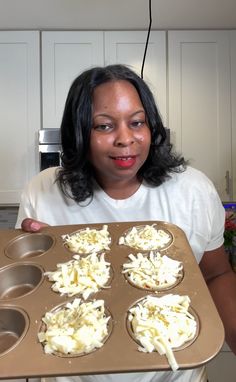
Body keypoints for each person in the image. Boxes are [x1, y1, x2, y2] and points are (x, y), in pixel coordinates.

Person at [16, 64, 236, 382]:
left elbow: (217, 274)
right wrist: (33, 259)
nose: (125, 139)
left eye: (137, 122)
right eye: (104, 126)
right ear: (79, 133)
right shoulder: (43, 190)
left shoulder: (192, 190)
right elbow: (31, 297)